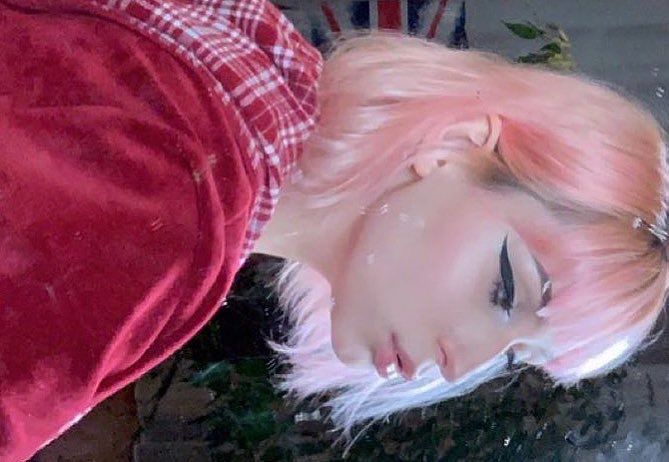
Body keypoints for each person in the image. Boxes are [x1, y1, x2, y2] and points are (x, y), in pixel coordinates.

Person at [0, 1, 666, 461]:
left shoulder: (241, 66)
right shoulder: (182, 219)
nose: (460, 363)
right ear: (454, 145)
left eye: (512, 355)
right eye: (504, 288)